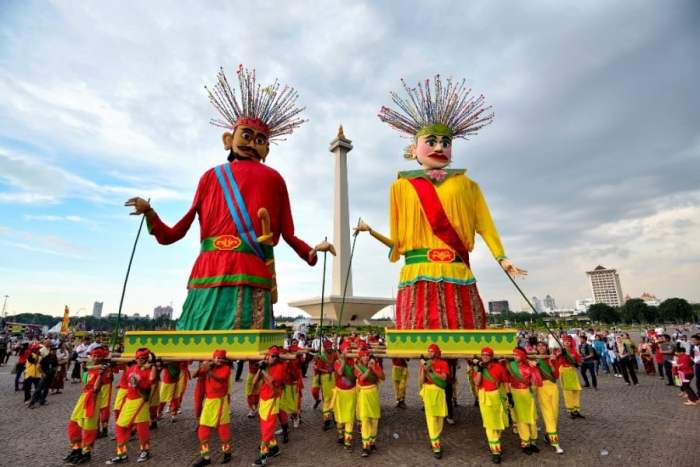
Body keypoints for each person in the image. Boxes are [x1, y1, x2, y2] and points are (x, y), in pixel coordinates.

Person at [125, 65, 334, 332]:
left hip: (231, 273)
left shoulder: (273, 179)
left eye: (259, 140)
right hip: (220, 273)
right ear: (228, 139)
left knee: (207, 348)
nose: (252, 143)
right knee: (244, 350)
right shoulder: (211, 178)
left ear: (266, 148)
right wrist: (150, 214)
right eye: (246, 135)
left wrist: (312, 251)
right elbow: (176, 231)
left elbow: (289, 233)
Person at [357, 74, 525, 330]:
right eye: (431, 141)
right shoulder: (400, 186)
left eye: (445, 142)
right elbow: (398, 240)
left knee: (467, 344)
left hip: (456, 272)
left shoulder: (468, 185)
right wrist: (371, 232)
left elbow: (485, 225)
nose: (439, 147)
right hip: (417, 274)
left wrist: (502, 257)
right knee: (423, 348)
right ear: (413, 149)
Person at [107, 348, 157, 464]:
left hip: (140, 401)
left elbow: (152, 380)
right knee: (121, 426)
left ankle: (144, 451)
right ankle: (122, 454)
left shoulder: (149, 370)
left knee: (141, 427)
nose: (142, 360)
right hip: (130, 400)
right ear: (135, 358)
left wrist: (153, 365)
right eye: (139, 358)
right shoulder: (131, 368)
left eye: (144, 358)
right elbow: (124, 382)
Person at [63, 346, 109, 465]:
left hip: (93, 398)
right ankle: (76, 449)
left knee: (89, 426)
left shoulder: (103, 371)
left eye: (98, 356)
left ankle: (86, 452)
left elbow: (96, 389)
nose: (94, 357)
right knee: (74, 422)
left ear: (102, 358)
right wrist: (84, 369)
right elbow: (84, 383)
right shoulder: (90, 368)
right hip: (84, 396)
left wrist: (100, 374)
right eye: (93, 355)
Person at [192, 350, 233, 467]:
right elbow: (194, 375)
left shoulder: (226, 368)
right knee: (202, 430)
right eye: (217, 358)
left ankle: (227, 453)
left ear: (224, 360)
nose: (219, 360)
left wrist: (209, 369)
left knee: (223, 430)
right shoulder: (209, 366)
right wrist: (203, 366)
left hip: (221, 403)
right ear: (213, 358)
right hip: (209, 403)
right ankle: (205, 457)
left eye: (221, 358)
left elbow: (221, 379)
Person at [470, 346, 509, 464]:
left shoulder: (499, 367)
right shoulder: (478, 368)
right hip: (484, 396)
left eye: (487, 355)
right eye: (483, 355)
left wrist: (509, 396)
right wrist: (480, 370)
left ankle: (495, 441)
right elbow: (476, 383)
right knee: (489, 424)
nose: (485, 356)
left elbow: (506, 381)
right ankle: (496, 451)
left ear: (491, 357)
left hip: (496, 396)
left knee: (498, 422)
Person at [252, 345, 286, 466]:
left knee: (267, 430)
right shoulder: (266, 367)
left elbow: (272, 381)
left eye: (274, 356)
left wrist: (264, 369)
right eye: (271, 356)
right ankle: (275, 448)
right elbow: (254, 382)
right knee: (264, 427)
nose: (272, 358)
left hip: (273, 401)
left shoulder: (280, 367)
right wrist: (259, 369)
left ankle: (262, 457)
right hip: (263, 399)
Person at [506, 347, 543, 455]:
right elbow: (507, 381)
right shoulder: (510, 366)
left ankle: (533, 442)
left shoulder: (530, 366)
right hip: (515, 393)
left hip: (527, 393)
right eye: (514, 355)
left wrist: (535, 368)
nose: (514, 357)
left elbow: (539, 381)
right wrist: (509, 396)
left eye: (517, 355)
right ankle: (525, 443)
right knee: (521, 419)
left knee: (531, 418)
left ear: (522, 356)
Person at [419, 343, 449, 459]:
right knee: (431, 419)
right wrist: (423, 369)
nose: (429, 353)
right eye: (428, 351)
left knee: (440, 418)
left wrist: (431, 369)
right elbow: (421, 381)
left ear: (436, 352)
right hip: (429, 393)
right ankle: (436, 445)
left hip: (439, 392)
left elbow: (444, 378)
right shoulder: (425, 364)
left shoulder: (443, 363)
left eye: (431, 351)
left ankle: (435, 438)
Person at [534, 341, 564, 454]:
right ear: (536, 348)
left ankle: (547, 434)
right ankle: (555, 443)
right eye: (539, 346)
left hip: (553, 387)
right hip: (542, 388)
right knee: (548, 414)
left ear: (546, 347)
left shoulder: (552, 358)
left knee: (555, 413)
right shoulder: (534, 359)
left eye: (543, 345)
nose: (541, 347)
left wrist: (551, 364)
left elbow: (556, 375)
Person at [354, 348, 384, 457]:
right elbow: (361, 378)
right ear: (360, 358)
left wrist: (375, 368)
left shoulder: (375, 365)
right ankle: (365, 446)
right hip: (364, 394)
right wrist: (369, 369)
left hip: (374, 393)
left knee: (375, 419)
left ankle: (372, 442)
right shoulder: (357, 368)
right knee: (365, 419)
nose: (366, 357)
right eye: (364, 356)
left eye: (367, 355)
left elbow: (383, 377)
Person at [333, 341, 358, 450]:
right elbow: (339, 373)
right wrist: (343, 362)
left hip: (351, 392)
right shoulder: (337, 362)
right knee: (339, 416)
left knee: (350, 417)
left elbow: (355, 376)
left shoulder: (354, 362)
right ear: (342, 351)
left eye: (350, 350)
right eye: (347, 350)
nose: (349, 352)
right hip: (339, 393)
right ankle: (340, 434)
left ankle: (348, 441)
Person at [311, 339, 336, 430]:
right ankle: (327, 421)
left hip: (334, 378)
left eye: (331, 346)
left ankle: (335, 418)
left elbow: (338, 362)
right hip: (325, 379)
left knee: (335, 398)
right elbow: (317, 368)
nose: (330, 348)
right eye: (328, 347)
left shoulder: (334, 354)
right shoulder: (321, 356)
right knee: (327, 399)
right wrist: (326, 370)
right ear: (325, 348)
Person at [557, 336, 584, 419]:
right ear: (563, 342)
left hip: (572, 372)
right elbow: (557, 358)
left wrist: (577, 363)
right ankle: (571, 410)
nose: (567, 342)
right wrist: (562, 353)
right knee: (567, 392)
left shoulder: (574, 351)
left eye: (569, 341)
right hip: (564, 371)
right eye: (565, 341)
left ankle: (576, 409)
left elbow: (579, 361)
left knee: (576, 390)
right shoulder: (560, 351)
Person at [29, 344, 58, 408]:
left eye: (55, 350)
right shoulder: (46, 357)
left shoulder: (55, 357)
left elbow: (56, 366)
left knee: (46, 389)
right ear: (50, 351)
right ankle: (32, 403)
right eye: (53, 350)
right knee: (39, 389)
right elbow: (39, 366)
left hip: (51, 375)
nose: (54, 352)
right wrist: (43, 373)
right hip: (45, 375)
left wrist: (55, 372)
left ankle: (42, 401)